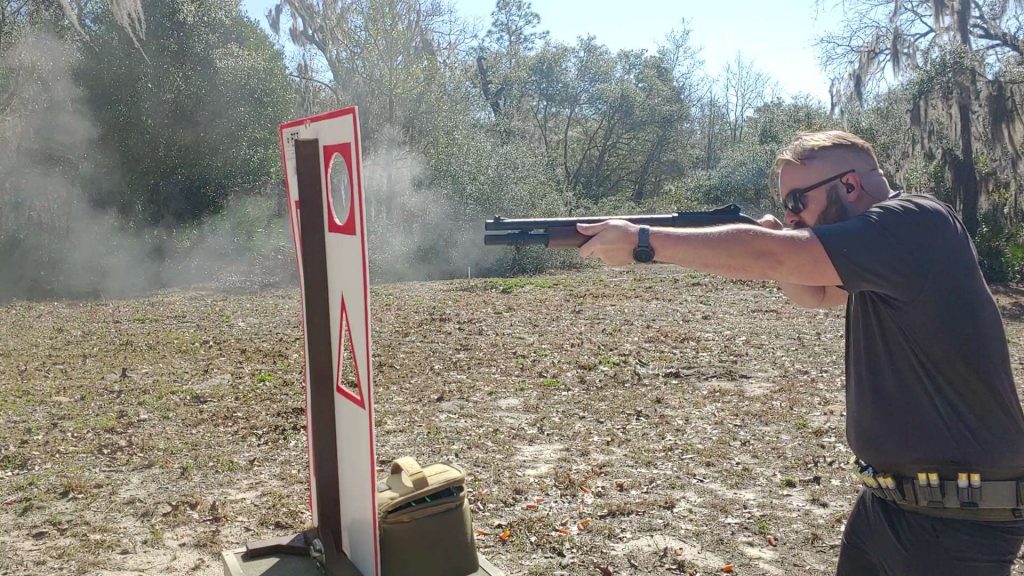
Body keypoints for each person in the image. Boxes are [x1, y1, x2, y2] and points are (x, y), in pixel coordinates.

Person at [577, 130, 1024, 576]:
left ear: (849, 185)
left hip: (958, 517)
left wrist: (644, 240)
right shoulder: (884, 245)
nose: (791, 215)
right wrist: (777, 242)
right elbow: (814, 293)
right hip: (889, 501)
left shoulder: (913, 222)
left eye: (797, 201)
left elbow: (775, 259)